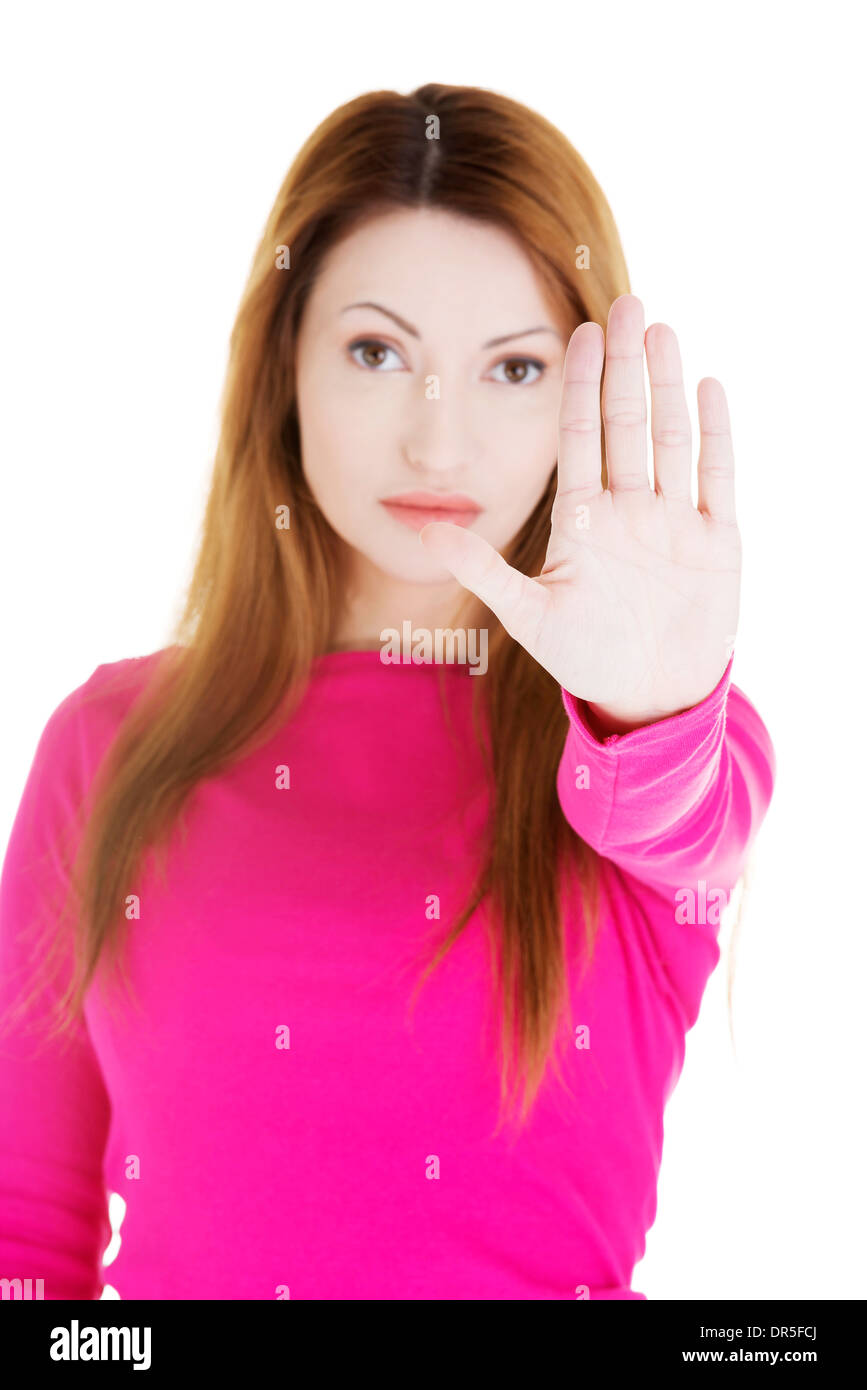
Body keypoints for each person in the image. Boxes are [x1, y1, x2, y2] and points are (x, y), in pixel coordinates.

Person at [0, 83, 775, 1301]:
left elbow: (691, 813)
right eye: (377, 351)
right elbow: (24, 1246)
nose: (439, 443)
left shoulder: (647, 744)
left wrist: (661, 704)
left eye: (514, 369)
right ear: (285, 368)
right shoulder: (107, 746)